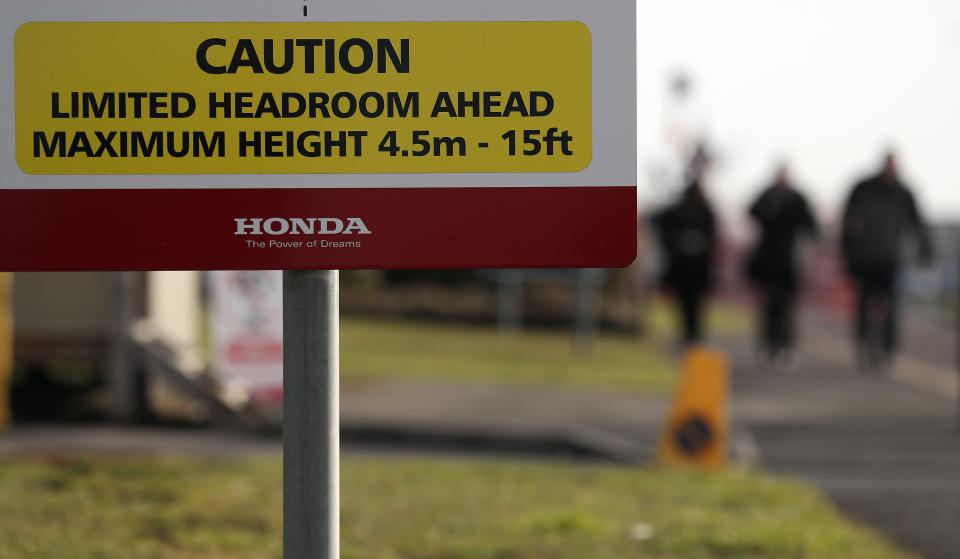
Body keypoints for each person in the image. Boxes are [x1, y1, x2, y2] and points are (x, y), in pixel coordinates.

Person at [841, 151, 932, 371]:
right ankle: (863, 345)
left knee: (892, 307)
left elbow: (917, 222)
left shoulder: (903, 192)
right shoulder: (862, 188)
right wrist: (846, 252)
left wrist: (925, 251)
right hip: (864, 258)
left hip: (890, 259)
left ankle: (887, 351)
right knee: (863, 304)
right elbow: (848, 222)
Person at [745, 164, 818, 371]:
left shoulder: (797, 199)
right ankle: (768, 346)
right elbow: (752, 211)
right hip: (768, 262)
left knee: (787, 309)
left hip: (789, 263)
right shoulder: (767, 196)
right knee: (768, 308)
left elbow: (810, 226)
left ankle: (785, 346)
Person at [653, 171, 716, 346]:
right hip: (685, 267)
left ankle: (692, 334)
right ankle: (690, 334)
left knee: (692, 303)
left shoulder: (703, 211)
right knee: (687, 302)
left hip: (694, 267)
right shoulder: (688, 210)